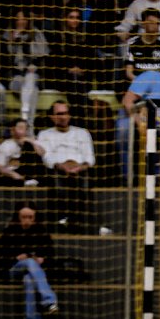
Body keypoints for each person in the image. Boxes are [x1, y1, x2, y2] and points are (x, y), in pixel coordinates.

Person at [0, 203, 58, 319]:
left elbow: (51, 255)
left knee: (29, 280)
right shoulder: (10, 232)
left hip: (34, 273)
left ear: (34, 218)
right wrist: (16, 258)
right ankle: (50, 300)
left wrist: (43, 259)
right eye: (24, 217)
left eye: (30, 217)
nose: (27, 220)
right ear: (18, 217)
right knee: (29, 262)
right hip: (14, 270)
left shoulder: (42, 233)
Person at [37, 100, 96, 233]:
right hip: (58, 170)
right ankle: (63, 219)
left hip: (80, 170)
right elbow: (47, 157)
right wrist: (63, 167)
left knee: (84, 184)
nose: (63, 117)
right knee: (59, 184)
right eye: (59, 114)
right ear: (52, 117)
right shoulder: (44, 134)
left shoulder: (82, 133)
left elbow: (90, 157)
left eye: (65, 113)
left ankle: (81, 223)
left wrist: (79, 167)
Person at [123, 8, 160, 82]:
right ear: (143, 24)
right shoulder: (132, 43)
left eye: (157, 23)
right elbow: (129, 73)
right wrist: (142, 83)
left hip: (158, 84)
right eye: (151, 22)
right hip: (137, 83)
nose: (155, 26)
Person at [0, 118, 46, 186]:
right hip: (11, 176)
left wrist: (32, 142)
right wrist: (14, 175)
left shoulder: (29, 142)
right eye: (20, 128)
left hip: (30, 175)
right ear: (12, 130)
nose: (23, 131)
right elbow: (0, 167)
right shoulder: (5, 146)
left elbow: (42, 153)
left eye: (25, 128)